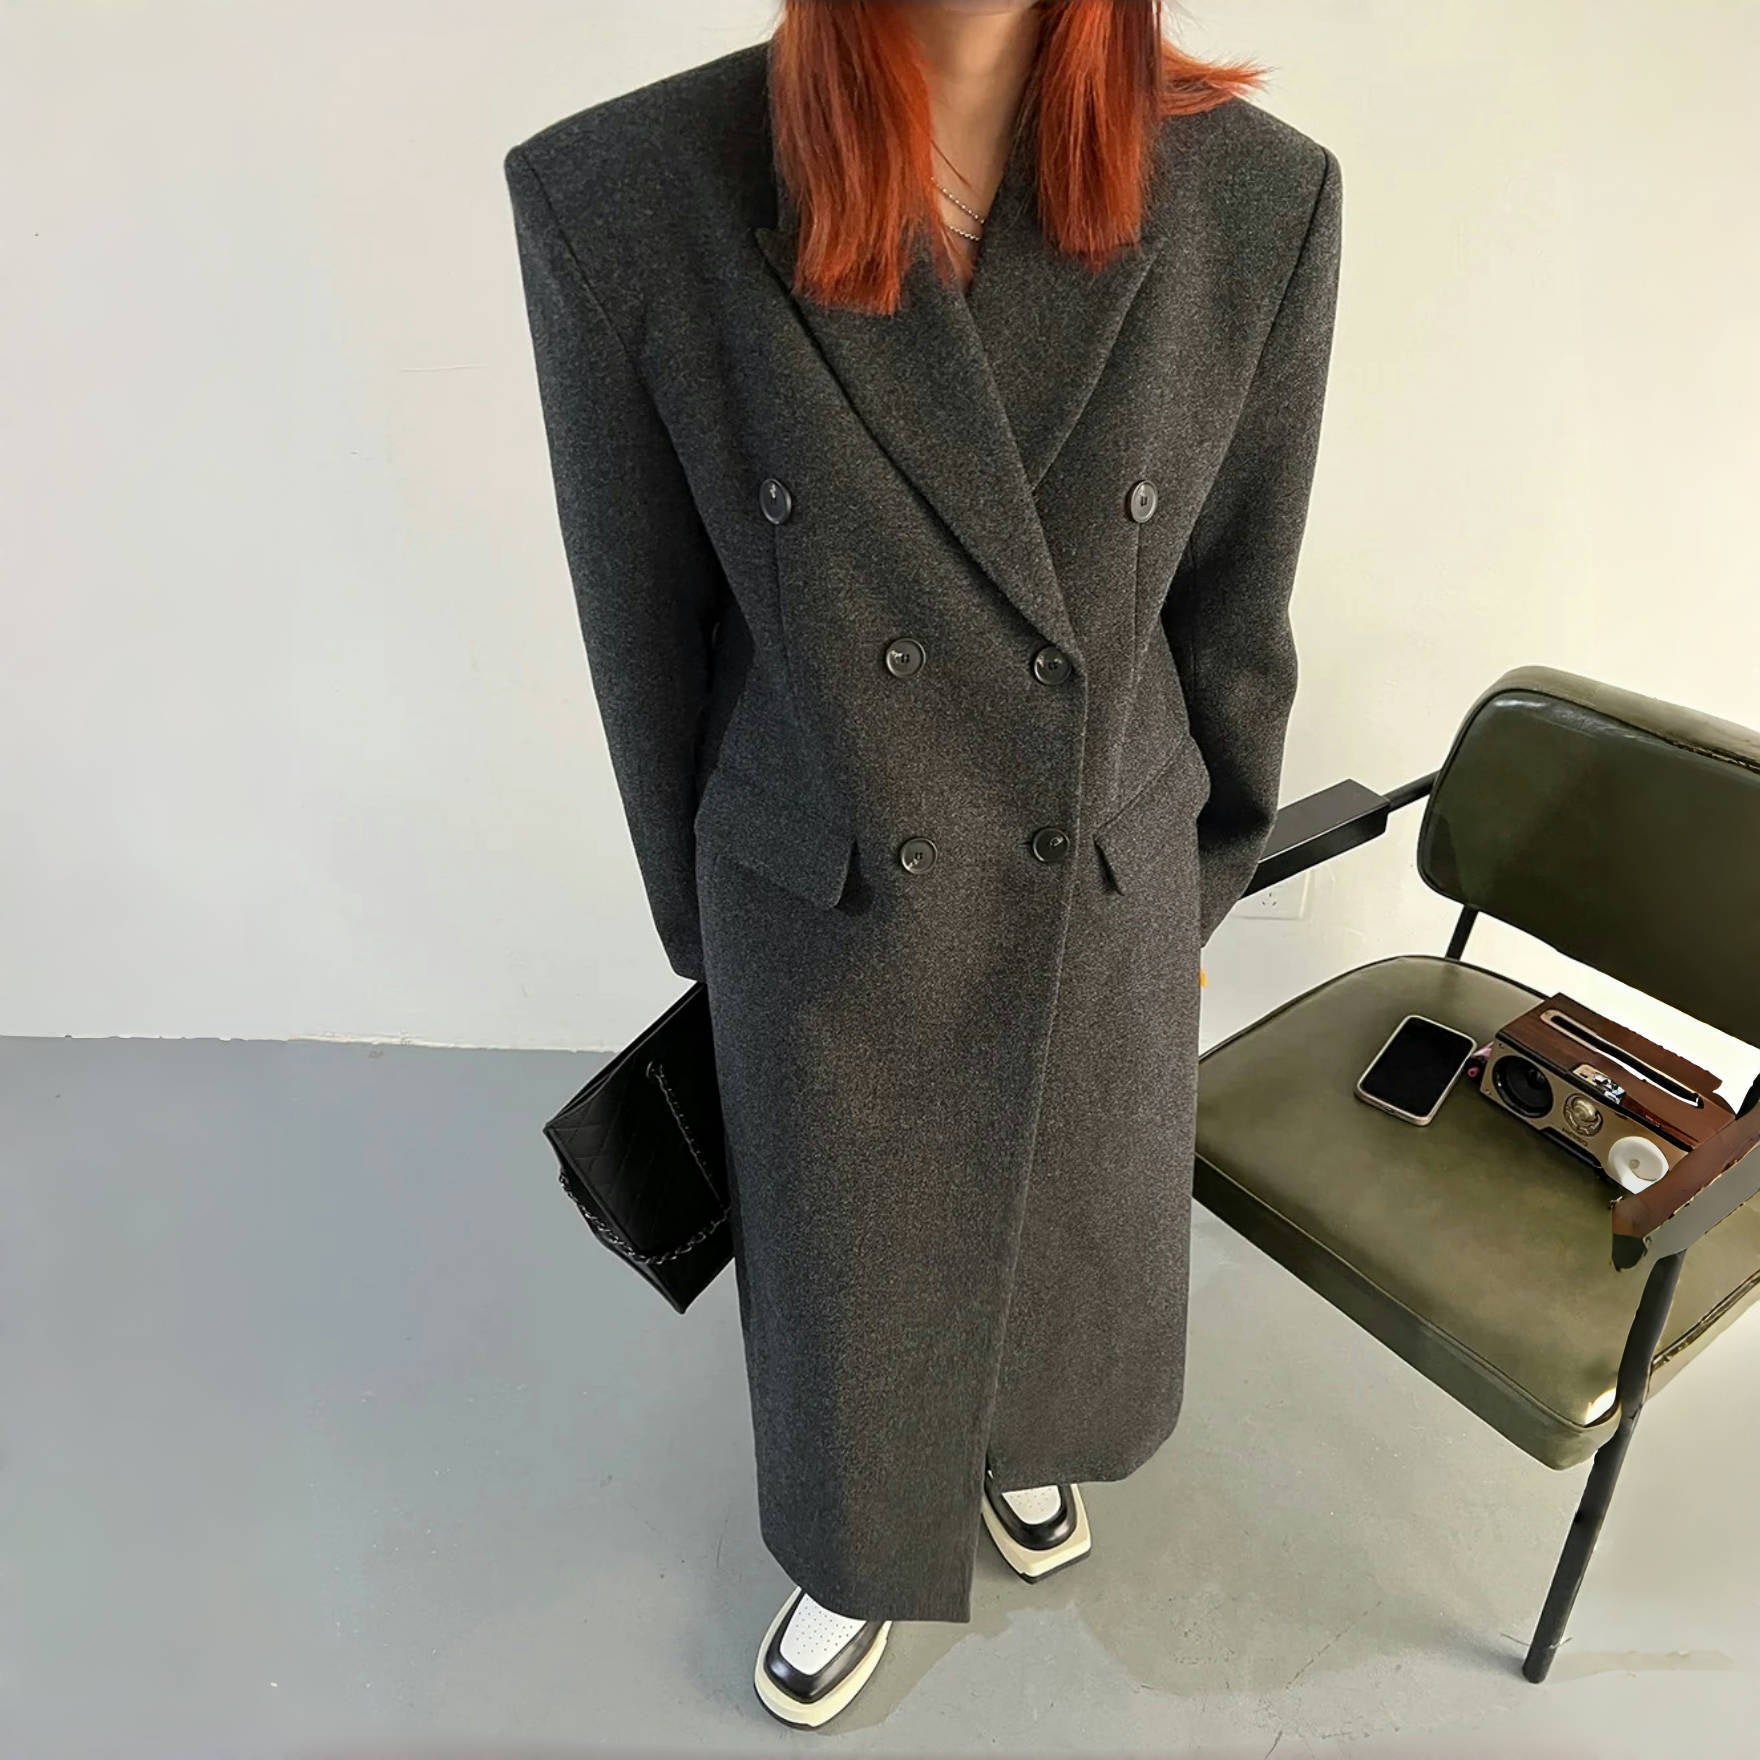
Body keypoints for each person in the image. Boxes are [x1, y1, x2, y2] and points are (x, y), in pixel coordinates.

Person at [505, 0, 1342, 1729]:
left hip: (1097, 858)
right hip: (834, 879)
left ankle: (1026, 1441)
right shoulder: (630, 195)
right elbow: (643, 631)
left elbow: (1235, 613)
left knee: (1073, 1223)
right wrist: (722, 913)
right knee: (852, 1281)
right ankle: (854, 1540)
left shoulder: (1258, 199)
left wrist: (1188, 881)